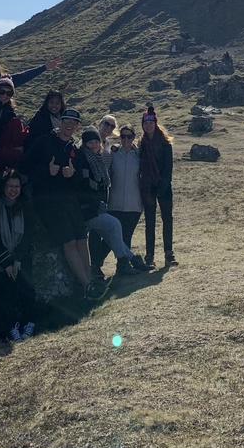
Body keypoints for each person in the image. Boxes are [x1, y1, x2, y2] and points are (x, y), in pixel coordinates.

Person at [22, 109, 105, 301]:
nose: (69, 125)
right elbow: (24, 166)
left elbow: (80, 182)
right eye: (66, 120)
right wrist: (46, 170)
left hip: (70, 201)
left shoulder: (74, 150)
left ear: (77, 126)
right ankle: (87, 286)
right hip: (48, 202)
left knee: (81, 239)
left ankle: (90, 282)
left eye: (73, 122)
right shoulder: (44, 141)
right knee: (69, 242)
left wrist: (72, 174)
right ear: (60, 121)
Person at [76, 127, 150, 278]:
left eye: (96, 142)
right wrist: (95, 204)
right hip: (88, 210)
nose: (94, 145)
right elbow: (84, 186)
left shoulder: (98, 158)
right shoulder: (84, 159)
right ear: (84, 144)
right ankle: (122, 263)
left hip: (98, 207)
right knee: (113, 227)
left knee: (112, 236)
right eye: (90, 142)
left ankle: (130, 261)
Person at [0, 170, 39, 342]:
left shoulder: (25, 205)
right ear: (3, 187)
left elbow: (29, 232)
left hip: (22, 255)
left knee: (26, 289)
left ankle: (29, 322)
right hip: (2, 257)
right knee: (6, 292)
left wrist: (17, 259)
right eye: (10, 186)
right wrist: (6, 262)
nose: (13, 190)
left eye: (17, 186)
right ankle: (11, 326)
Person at [139, 105, 177, 269]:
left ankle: (169, 254)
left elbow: (168, 168)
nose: (148, 126)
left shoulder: (165, 144)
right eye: (145, 123)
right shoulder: (142, 144)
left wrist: (163, 185)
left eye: (151, 123)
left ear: (155, 124)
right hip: (148, 187)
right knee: (150, 221)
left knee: (167, 219)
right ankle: (149, 256)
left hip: (164, 186)